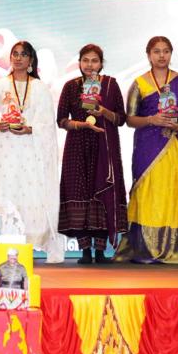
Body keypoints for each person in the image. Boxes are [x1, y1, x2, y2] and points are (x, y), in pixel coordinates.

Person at [115, 37, 178, 264]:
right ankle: (146, 247)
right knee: (151, 194)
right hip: (147, 149)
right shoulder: (139, 84)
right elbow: (130, 119)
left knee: (177, 192)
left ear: (171, 54)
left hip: (175, 145)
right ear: (148, 55)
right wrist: (151, 119)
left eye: (166, 51)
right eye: (156, 51)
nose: (162, 55)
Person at [0, 41, 64, 263]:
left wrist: (30, 128)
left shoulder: (40, 88)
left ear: (31, 60)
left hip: (32, 149)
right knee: (10, 195)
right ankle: (11, 250)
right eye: (15, 54)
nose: (18, 58)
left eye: (23, 54)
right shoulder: (0, 85)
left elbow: (47, 122)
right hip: (7, 148)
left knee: (34, 195)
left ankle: (43, 243)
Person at [56, 44, 127, 264]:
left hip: (104, 145)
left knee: (102, 192)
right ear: (79, 62)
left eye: (94, 60)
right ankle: (85, 250)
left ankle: (100, 250)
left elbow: (121, 119)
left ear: (101, 63)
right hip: (77, 147)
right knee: (80, 194)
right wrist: (81, 125)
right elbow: (61, 120)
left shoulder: (110, 85)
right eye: (85, 60)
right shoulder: (71, 86)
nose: (89, 65)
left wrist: (103, 111)